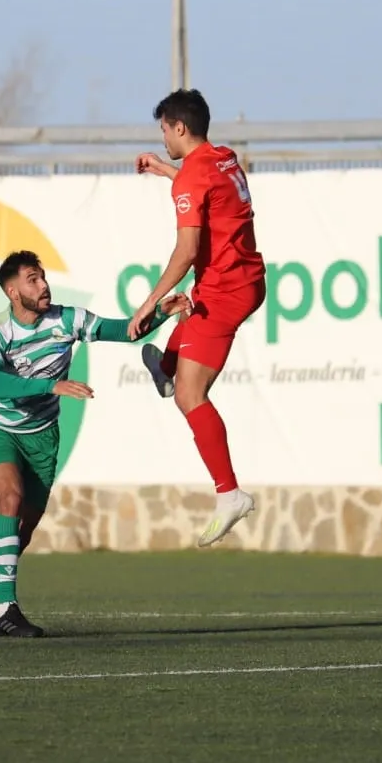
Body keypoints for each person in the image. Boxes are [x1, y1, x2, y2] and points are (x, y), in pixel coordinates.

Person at [0, 250, 190, 638]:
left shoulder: (67, 319)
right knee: (10, 501)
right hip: (1, 430)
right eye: (33, 279)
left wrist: (162, 314)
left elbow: (123, 331)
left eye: (43, 277)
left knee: (19, 535)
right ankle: (7, 611)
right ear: (13, 291)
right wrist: (49, 384)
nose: (44, 284)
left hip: (43, 438)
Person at [131, 89, 268, 547]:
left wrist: (150, 300)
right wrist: (165, 170)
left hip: (225, 290)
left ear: (179, 128)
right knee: (184, 319)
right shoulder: (223, 158)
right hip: (241, 279)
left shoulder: (193, 177)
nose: (164, 137)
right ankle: (165, 368)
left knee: (191, 396)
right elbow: (207, 192)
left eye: (165, 130)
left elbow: (187, 250)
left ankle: (230, 494)